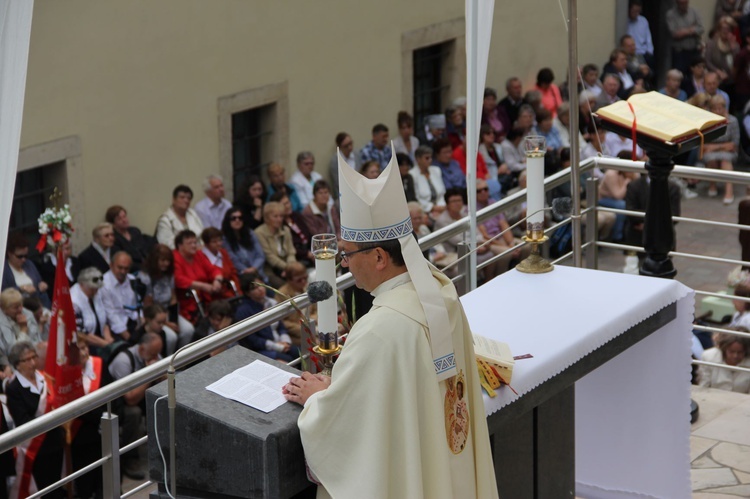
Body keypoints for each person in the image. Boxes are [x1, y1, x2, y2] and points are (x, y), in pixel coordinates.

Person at [283, 154, 497, 498]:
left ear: (380, 257)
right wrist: (341, 384)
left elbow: (345, 428)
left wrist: (317, 399)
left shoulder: (380, 329)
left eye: (348, 255)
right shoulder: (441, 294)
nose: (345, 265)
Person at [6, 341, 65, 498]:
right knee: (45, 488)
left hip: (55, 440)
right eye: (27, 360)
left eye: (34, 357)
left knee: (57, 484)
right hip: (37, 447)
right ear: (17, 365)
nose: (33, 363)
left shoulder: (45, 378)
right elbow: (22, 420)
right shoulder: (14, 389)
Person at [107, 332, 163, 480]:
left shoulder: (152, 354)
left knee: (162, 400)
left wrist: (159, 369)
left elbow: (166, 376)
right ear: (142, 349)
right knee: (134, 413)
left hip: (140, 395)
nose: (155, 358)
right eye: (152, 354)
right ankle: (130, 458)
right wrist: (151, 373)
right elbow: (130, 399)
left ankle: (163, 448)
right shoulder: (123, 361)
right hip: (116, 403)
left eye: (157, 354)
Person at [137, 244, 194, 346]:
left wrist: (174, 320)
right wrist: (166, 323)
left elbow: (173, 297)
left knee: (188, 330)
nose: (166, 264)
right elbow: (148, 306)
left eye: (168, 261)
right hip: (154, 315)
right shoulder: (145, 277)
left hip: (168, 311)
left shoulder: (169, 274)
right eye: (163, 260)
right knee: (171, 337)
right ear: (155, 260)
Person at [71, 334, 105, 499]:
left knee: (104, 477)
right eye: (78, 350)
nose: (83, 353)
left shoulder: (98, 364)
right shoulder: (66, 375)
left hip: (102, 429)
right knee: (85, 480)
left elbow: (111, 393)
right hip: (80, 435)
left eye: (84, 348)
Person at [234, 272, 296, 362]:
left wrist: (285, 341)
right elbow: (253, 340)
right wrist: (277, 346)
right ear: (247, 293)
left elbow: (281, 326)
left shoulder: (271, 302)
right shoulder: (243, 311)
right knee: (288, 359)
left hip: (280, 343)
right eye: (254, 288)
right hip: (260, 350)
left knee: (299, 352)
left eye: (261, 285)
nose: (260, 289)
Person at [172, 230, 225, 325]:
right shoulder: (175, 258)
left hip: (207, 298)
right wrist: (202, 286)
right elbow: (178, 279)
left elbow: (213, 270)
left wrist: (217, 280)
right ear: (180, 246)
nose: (193, 246)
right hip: (188, 302)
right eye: (189, 243)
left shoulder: (198, 255)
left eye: (195, 242)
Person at [702, 94, 738, 204]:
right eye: (714, 108)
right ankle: (712, 185)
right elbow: (703, 147)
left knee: (725, 160)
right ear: (710, 109)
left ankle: (729, 191)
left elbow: (733, 145)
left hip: (728, 153)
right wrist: (723, 146)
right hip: (712, 153)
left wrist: (714, 147)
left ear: (725, 108)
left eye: (720, 108)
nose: (718, 111)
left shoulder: (733, 121)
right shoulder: (707, 123)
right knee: (711, 158)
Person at [71, 267, 114, 354]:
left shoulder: (96, 293)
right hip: (85, 343)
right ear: (82, 284)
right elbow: (81, 333)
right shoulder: (73, 301)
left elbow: (105, 320)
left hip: (101, 337)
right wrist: (107, 345)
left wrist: (108, 339)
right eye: (92, 289)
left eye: (97, 289)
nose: (95, 291)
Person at [254, 202, 297, 288]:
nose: (279, 219)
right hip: (271, 270)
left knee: (301, 279)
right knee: (286, 286)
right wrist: (288, 268)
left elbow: (291, 252)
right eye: (275, 216)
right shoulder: (259, 233)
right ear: (267, 217)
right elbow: (269, 257)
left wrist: (291, 266)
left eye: (281, 216)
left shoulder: (285, 230)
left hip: (288, 267)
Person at [2, 232, 50, 308]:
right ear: (10, 254)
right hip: (19, 307)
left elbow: (38, 282)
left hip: (37, 304)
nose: (23, 259)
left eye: (25, 256)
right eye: (20, 256)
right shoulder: (4, 270)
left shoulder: (29, 264)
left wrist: (41, 285)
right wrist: (22, 289)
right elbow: (4, 292)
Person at [99, 251, 140, 341]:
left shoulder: (132, 280)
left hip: (133, 322)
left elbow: (138, 304)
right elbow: (110, 314)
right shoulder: (104, 284)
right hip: (115, 328)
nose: (123, 271)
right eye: (120, 268)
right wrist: (126, 335)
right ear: (111, 265)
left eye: (126, 269)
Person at [0, 289, 42, 375]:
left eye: (21, 305)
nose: (20, 310)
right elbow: (13, 352)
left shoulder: (28, 314)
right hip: (13, 365)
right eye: (15, 307)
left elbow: (36, 341)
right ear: (4, 308)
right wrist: (23, 330)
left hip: (33, 356)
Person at [275, 261, 315, 347]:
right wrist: (303, 327)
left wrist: (312, 322)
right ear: (289, 280)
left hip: (312, 325)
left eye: (305, 277)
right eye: (299, 280)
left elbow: (316, 309)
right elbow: (282, 321)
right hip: (296, 334)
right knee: (317, 344)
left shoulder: (308, 287)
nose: (304, 281)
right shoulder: (282, 294)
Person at [270, 192, 315, 268]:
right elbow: (290, 247)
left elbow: (309, 234)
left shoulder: (296, 216)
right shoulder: (279, 225)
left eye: (288, 202)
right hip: (298, 258)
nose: (288, 206)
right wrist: (307, 254)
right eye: (284, 204)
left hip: (310, 250)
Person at [221, 206, 267, 279]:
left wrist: (254, 268)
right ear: (228, 221)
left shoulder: (250, 233)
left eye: (240, 218)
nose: (237, 220)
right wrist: (247, 271)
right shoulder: (225, 240)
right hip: (241, 276)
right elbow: (233, 260)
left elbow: (261, 256)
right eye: (233, 218)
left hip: (258, 272)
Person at [155, 184, 204, 250]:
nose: (186, 201)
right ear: (174, 200)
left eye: (188, 198)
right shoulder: (165, 219)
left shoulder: (193, 214)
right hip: (177, 255)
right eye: (182, 197)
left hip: (198, 253)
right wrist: (192, 248)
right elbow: (166, 244)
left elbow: (202, 235)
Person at [107, 205, 154, 273]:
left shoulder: (135, 231)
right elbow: (121, 261)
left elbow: (144, 249)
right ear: (113, 224)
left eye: (124, 216)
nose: (124, 220)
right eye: (119, 219)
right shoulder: (115, 239)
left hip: (147, 265)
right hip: (132, 270)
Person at [667, 0, 705, 76]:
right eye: (681, 3)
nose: (683, 5)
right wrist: (692, 29)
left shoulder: (694, 12)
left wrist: (684, 31)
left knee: (695, 75)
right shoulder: (671, 14)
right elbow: (675, 34)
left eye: (685, 3)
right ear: (677, 3)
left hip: (694, 51)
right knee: (679, 76)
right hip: (680, 53)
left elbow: (701, 28)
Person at [410, 145, 447, 220]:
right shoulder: (412, 175)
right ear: (418, 159)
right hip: (424, 210)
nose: (430, 160)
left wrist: (441, 206)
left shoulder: (436, 170)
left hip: (441, 206)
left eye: (431, 158)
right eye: (427, 158)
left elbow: (442, 192)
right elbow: (417, 198)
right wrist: (432, 208)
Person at [201, 227, 241, 294]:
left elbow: (233, 272)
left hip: (233, 290)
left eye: (220, 240)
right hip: (216, 295)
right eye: (214, 242)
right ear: (206, 244)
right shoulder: (202, 257)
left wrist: (238, 290)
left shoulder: (223, 252)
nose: (218, 243)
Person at [705, 16, 739, 87]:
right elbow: (707, 61)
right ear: (719, 30)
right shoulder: (711, 43)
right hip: (714, 79)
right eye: (723, 28)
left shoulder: (735, 45)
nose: (725, 31)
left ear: (731, 31)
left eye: (728, 29)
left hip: (731, 80)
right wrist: (718, 72)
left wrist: (733, 48)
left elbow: (737, 63)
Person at [328, 132, 358, 198]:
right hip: (343, 194)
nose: (350, 147)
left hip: (358, 190)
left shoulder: (356, 155)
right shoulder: (335, 161)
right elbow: (337, 182)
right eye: (346, 146)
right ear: (340, 147)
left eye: (350, 143)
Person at [627, 0, 654, 69]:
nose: (636, 13)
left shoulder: (643, 21)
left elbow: (648, 38)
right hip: (631, 54)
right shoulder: (625, 21)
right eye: (634, 11)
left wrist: (649, 52)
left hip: (643, 52)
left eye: (638, 11)